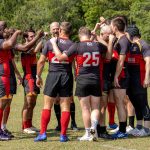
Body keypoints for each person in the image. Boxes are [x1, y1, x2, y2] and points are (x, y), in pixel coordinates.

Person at [50, 27, 112, 141]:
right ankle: (94, 131)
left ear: (80, 35)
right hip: (96, 79)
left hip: (83, 79)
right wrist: (97, 37)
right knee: (95, 107)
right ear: (90, 35)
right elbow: (108, 55)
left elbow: (60, 57)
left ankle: (88, 133)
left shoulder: (77, 46)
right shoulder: (97, 45)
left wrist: (54, 43)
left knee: (85, 108)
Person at [34, 22, 74, 142]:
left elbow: (41, 61)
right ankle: (63, 135)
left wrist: (38, 76)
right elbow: (75, 63)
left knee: (47, 105)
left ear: (60, 30)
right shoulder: (73, 44)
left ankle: (43, 133)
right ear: (70, 32)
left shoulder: (49, 43)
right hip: (67, 75)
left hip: (53, 75)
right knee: (65, 106)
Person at [15, 29, 44, 134]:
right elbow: (34, 51)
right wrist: (41, 38)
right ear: (26, 38)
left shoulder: (31, 46)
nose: (33, 38)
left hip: (34, 77)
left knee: (33, 103)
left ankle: (29, 125)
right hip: (28, 78)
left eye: (33, 36)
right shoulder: (25, 47)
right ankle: (25, 127)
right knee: (27, 103)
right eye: (31, 36)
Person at [127, 26, 150, 136]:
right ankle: (139, 126)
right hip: (131, 79)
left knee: (143, 102)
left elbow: (148, 62)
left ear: (131, 34)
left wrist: (147, 78)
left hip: (140, 79)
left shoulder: (143, 44)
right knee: (135, 103)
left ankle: (146, 129)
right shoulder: (130, 45)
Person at [0, 21, 22, 140]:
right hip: (2, 76)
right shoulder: (2, 42)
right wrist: (17, 32)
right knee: (2, 103)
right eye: (3, 28)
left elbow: (23, 48)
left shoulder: (4, 41)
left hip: (7, 76)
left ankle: (2, 128)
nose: (5, 30)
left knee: (6, 102)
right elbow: (9, 43)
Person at [110, 17, 131, 139]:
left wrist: (116, 76)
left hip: (121, 76)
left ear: (115, 28)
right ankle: (121, 128)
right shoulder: (120, 39)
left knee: (120, 103)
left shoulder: (123, 41)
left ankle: (123, 130)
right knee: (119, 103)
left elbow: (121, 60)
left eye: (111, 26)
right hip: (119, 75)